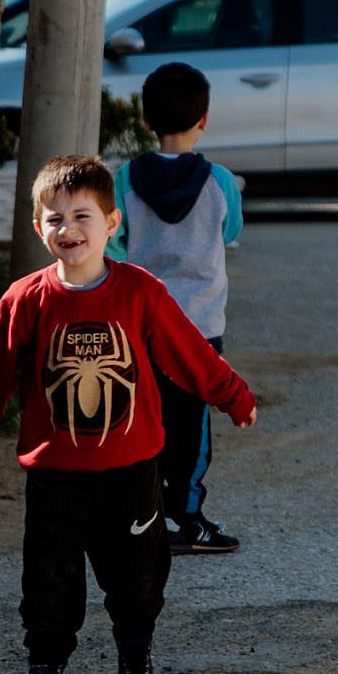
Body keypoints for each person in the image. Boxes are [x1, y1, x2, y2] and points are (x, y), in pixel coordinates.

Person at [0, 154, 257, 674]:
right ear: (36, 227)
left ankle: (134, 653)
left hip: (131, 470)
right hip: (55, 473)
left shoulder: (141, 292)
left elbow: (187, 353)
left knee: (139, 578)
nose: (69, 230)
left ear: (112, 224)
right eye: (55, 218)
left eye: (83, 216)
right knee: (47, 582)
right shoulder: (25, 299)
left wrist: (231, 394)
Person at [110, 62, 247, 554]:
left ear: (145, 121)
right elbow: (230, 233)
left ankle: (143, 516)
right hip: (200, 327)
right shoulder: (220, 182)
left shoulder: (124, 178)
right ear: (203, 119)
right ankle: (188, 519)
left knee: (143, 418)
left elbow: (114, 242)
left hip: (142, 324)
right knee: (192, 426)